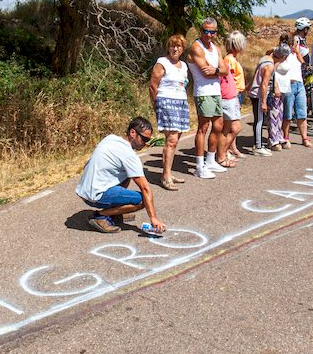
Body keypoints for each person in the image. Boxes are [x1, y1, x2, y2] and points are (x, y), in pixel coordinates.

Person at [76, 117, 167, 234]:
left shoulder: (111, 138)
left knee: (127, 174)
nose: (145, 144)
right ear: (132, 133)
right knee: (142, 200)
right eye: (144, 139)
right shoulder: (129, 155)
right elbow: (145, 188)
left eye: (148, 140)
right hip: (95, 194)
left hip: (85, 189)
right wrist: (153, 218)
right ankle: (100, 216)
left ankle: (115, 212)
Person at [147, 34, 190, 190]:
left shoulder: (184, 65)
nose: (175, 48)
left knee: (175, 139)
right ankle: (165, 177)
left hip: (181, 102)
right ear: (168, 47)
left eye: (179, 46)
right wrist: (156, 104)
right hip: (166, 102)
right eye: (173, 45)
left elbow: (183, 84)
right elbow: (153, 85)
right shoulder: (162, 63)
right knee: (171, 140)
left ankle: (168, 172)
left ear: (183, 49)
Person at [188, 17, 228, 180]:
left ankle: (210, 160)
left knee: (218, 126)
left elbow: (225, 70)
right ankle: (199, 166)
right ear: (200, 30)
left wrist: (216, 70)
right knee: (203, 128)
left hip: (215, 91)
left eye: (212, 32)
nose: (209, 35)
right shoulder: (197, 47)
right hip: (203, 92)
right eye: (206, 31)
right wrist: (217, 71)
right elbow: (205, 71)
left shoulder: (216, 48)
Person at [218, 30, 248, 166]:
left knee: (231, 128)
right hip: (229, 96)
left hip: (235, 95)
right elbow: (225, 79)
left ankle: (224, 152)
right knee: (232, 128)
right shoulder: (229, 60)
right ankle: (222, 154)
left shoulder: (233, 59)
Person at [277, 34, 312, 147]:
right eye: (295, 43)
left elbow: (303, 63)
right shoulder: (283, 55)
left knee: (302, 113)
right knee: (287, 114)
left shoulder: (296, 55)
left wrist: (297, 53)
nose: (296, 45)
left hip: (299, 84)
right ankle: (286, 137)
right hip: (289, 85)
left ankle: (304, 138)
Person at [248, 45, 282, 156]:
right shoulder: (270, 66)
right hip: (258, 94)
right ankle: (258, 146)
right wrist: (263, 102)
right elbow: (264, 84)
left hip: (255, 92)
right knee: (259, 120)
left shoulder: (265, 58)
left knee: (259, 119)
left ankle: (259, 144)